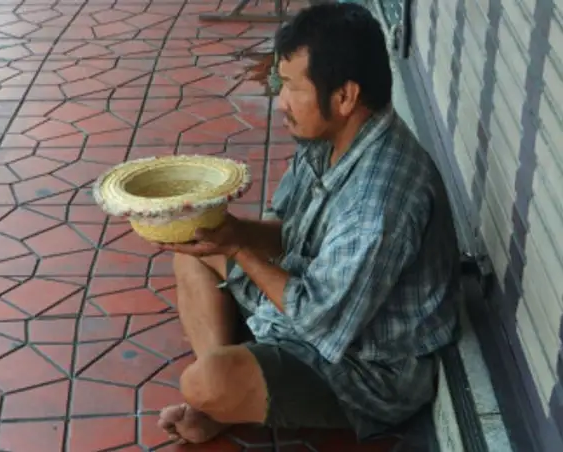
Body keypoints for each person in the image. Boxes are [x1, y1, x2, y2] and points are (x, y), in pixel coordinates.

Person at [155, 2, 462, 445]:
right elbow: (291, 234)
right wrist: (233, 234)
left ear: (345, 96)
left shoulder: (378, 204)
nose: (281, 101)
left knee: (206, 381)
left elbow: (319, 319)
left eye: (293, 87)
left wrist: (239, 251)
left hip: (366, 366)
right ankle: (224, 401)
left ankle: (223, 395)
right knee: (194, 253)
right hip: (311, 301)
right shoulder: (330, 139)